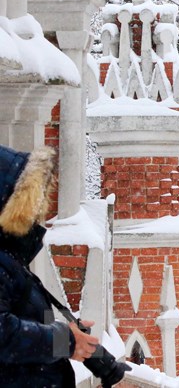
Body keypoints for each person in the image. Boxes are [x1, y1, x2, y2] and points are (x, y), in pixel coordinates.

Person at [0, 145, 122, 386]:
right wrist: (64, 341)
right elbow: (3, 334)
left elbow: (18, 317)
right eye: (27, 198)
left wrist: (69, 335)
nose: (35, 208)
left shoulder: (12, 259)